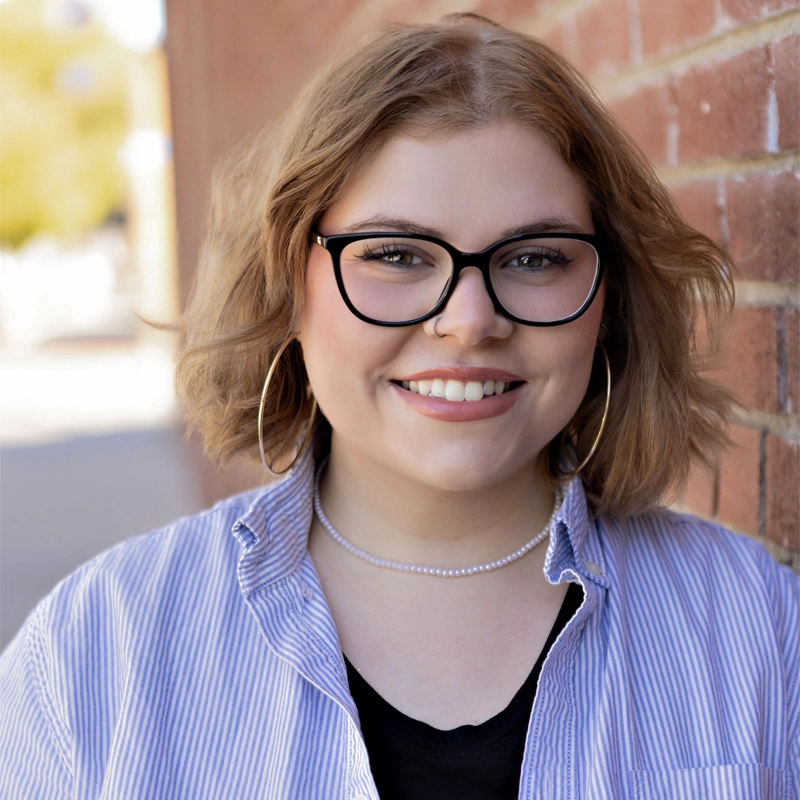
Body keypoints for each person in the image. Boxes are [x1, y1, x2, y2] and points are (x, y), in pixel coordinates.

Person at [1, 13, 798, 800]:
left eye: (535, 258)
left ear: (607, 300)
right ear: (287, 285)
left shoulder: (756, 628)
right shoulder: (97, 651)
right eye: (396, 255)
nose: (470, 320)